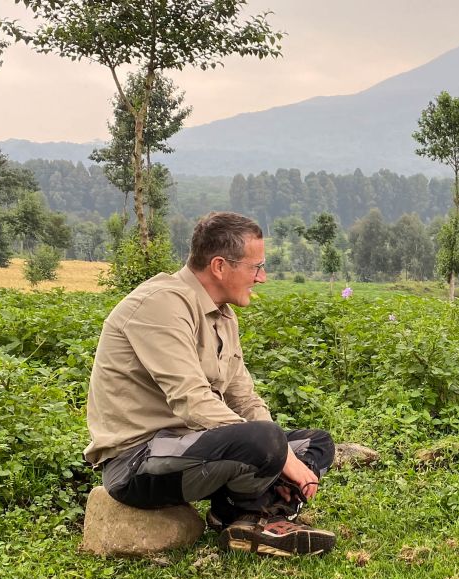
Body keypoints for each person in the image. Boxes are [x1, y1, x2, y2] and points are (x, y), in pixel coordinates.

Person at [84, 212, 336, 557]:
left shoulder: (222, 315)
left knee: (317, 443)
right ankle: (255, 511)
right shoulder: (160, 305)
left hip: (195, 448)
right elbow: (193, 402)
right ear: (219, 266)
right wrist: (279, 456)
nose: (261, 278)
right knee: (268, 441)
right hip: (139, 461)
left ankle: (240, 517)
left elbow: (243, 396)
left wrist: (284, 452)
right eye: (255, 267)